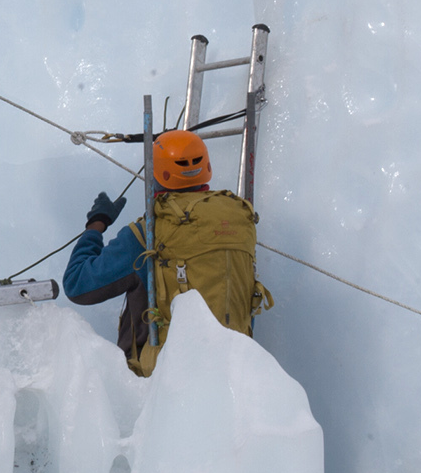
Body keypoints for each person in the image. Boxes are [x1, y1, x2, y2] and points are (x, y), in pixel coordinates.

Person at [61, 128, 271, 375]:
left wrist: (97, 223)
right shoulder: (239, 218)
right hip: (234, 371)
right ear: (207, 167)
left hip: (162, 378)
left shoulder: (148, 233)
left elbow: (78, 284)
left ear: (156, 172)